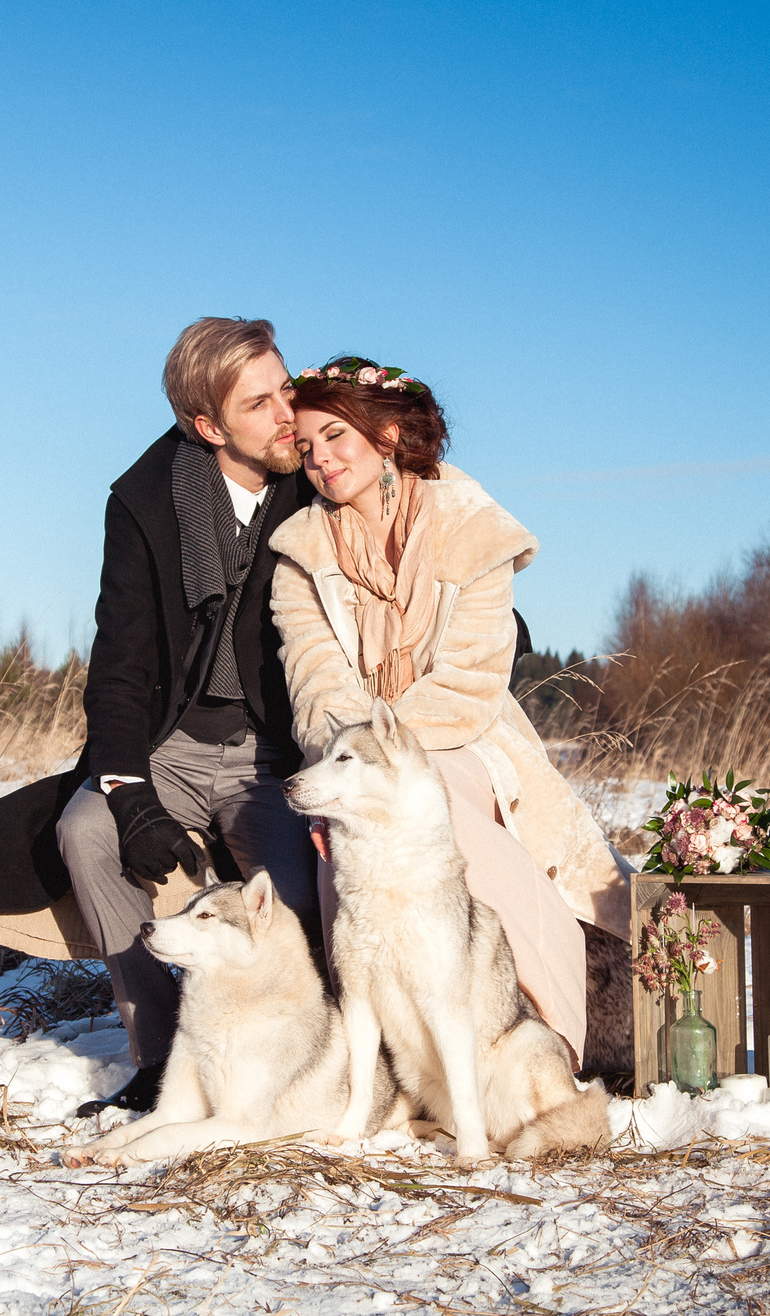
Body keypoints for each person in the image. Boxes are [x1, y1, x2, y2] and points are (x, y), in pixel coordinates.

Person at [0, 317, 322, 1118]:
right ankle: (164, 1059)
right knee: (83, 831)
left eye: (286, 388)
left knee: (299, 893)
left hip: (273, 754)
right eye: (260, 403)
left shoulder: (315, 478)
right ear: (208, 426)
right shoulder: (143, 502)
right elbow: (120, 665)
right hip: (169, 743)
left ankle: (290, 1063)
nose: (287, 414)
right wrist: (129, 795)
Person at [266, 356, 632, 1067]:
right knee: (347, 827)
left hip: (466, 739)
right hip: (348, 755)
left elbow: (471, 681)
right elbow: (314, 687)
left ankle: (541, 1036)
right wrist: (358, 770)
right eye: (306, 446)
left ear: (388, 433)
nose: (320, 459)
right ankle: (397, 1061)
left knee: (441, 804)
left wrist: (390, 765)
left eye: (336, 435)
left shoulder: (473, 526)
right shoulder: (300, 556)